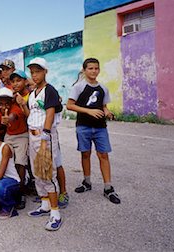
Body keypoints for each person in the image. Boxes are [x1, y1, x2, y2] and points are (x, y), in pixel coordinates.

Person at [66, 58, 121, 204]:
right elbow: (70, 105)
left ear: (99, 70)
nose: (93, 71)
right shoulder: (78, 87)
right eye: (90, 68)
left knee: (103, 155)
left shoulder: (103, 88)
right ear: (84, 70)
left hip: (100, 127)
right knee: (85, 154)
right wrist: (88, 111)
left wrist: (107, 112)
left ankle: (108, 187)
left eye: (96, 68)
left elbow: (103, 106)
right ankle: (87, 182)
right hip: (83, 126)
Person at [26, 57, 64, 231]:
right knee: (36, 172)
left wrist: (45, 137)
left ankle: (55, 213)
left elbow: (49, 114)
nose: (34, 75)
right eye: (32, 72)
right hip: (32, 134)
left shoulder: (50, 90)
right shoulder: (33, 93)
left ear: (45, 72)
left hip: (44, 135)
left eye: (38, 71)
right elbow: (33, 114)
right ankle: (45, 205)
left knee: (48, 172)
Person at [0, 87, 29, 210]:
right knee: (7, 162)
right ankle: (9, 188)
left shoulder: (15, 109)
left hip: (21, 136)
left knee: (20, 163)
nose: (4, 107)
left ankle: (21, 193)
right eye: (1, 104)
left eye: (7, 103)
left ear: (11, 103)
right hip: (9, 136)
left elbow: (13, 116)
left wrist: (8, 118)